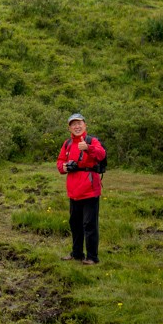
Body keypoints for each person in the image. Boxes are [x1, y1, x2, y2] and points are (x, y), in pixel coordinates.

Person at [57, 113, 106, 265]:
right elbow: (60, 161)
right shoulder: (67, 143)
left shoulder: (92, 141)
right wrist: (64, 167)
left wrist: (88, 148)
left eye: (79, 123)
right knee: (75, 224)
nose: (76, 126)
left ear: (85, 125)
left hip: (90, 190)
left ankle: (92, 257)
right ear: (69, 128)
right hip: (74, 191)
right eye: (73, 124)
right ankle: (77, 254)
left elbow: (101, 154)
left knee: (89, 225)